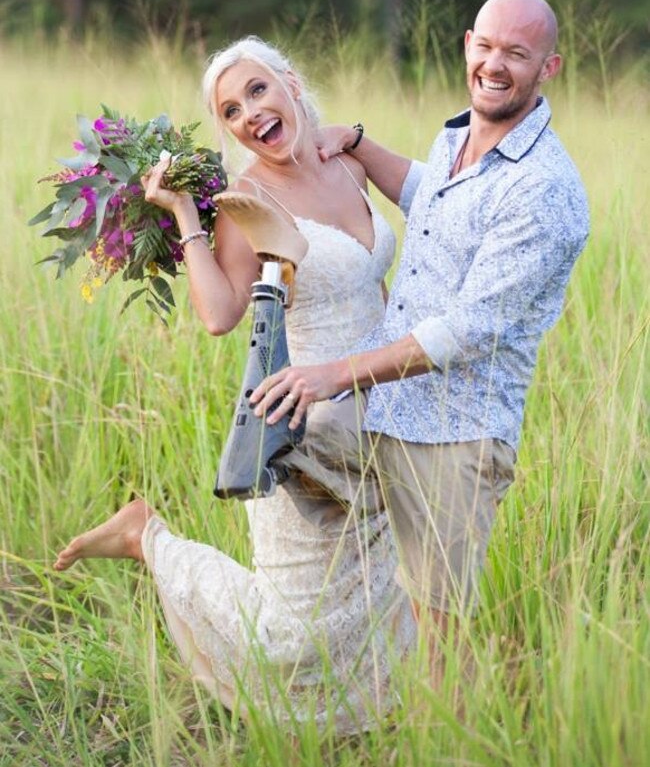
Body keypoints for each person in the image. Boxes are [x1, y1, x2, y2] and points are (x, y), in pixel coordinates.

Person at [54, 37, 416, 736]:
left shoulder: (344, 163)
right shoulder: (246, 195)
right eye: (230, 110)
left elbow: (377, 284)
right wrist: (189, 213)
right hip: (301, 420)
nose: (249, 113)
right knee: (291, 631)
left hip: (381, 416)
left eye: (256, 91)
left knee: (375, 594)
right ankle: (147, 538)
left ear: (289, 83)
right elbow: (221, 314)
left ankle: (388, 730)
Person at [250, 0, 590, 681]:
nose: (495, 65)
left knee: (439, 638)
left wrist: (334, 374)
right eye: (486, 46)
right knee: (274, 448)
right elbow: (428, 194)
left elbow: (464, 330)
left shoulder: (546, 190)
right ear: (468, 43)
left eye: (516, 55)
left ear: (548, 67)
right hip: (389, 414)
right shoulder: (460, 136)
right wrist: (356, 142)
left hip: (457, 441)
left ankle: (450, 743)